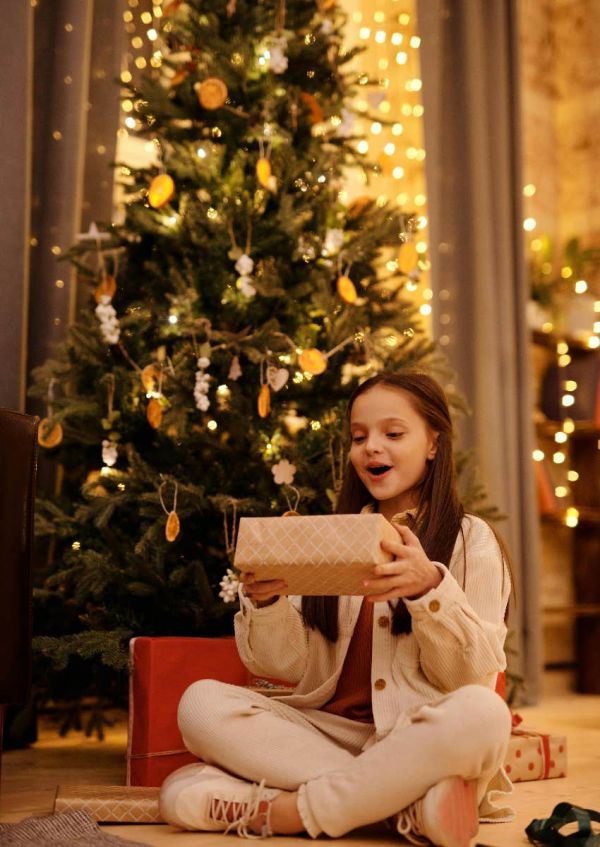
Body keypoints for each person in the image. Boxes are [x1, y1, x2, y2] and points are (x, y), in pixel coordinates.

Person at [159, 371, 514, 845]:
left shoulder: (473, 542)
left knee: (483, 713)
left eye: (393, 433)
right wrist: (266, 602)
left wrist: (430, 591)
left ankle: (287, 812)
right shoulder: (330, 536)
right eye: (359, 436)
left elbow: (471, 678)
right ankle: (402, 805)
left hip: (420, 733)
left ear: (433, 443)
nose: (371, 448)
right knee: (201, 703)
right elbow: (284, 667)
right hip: (327, 732)